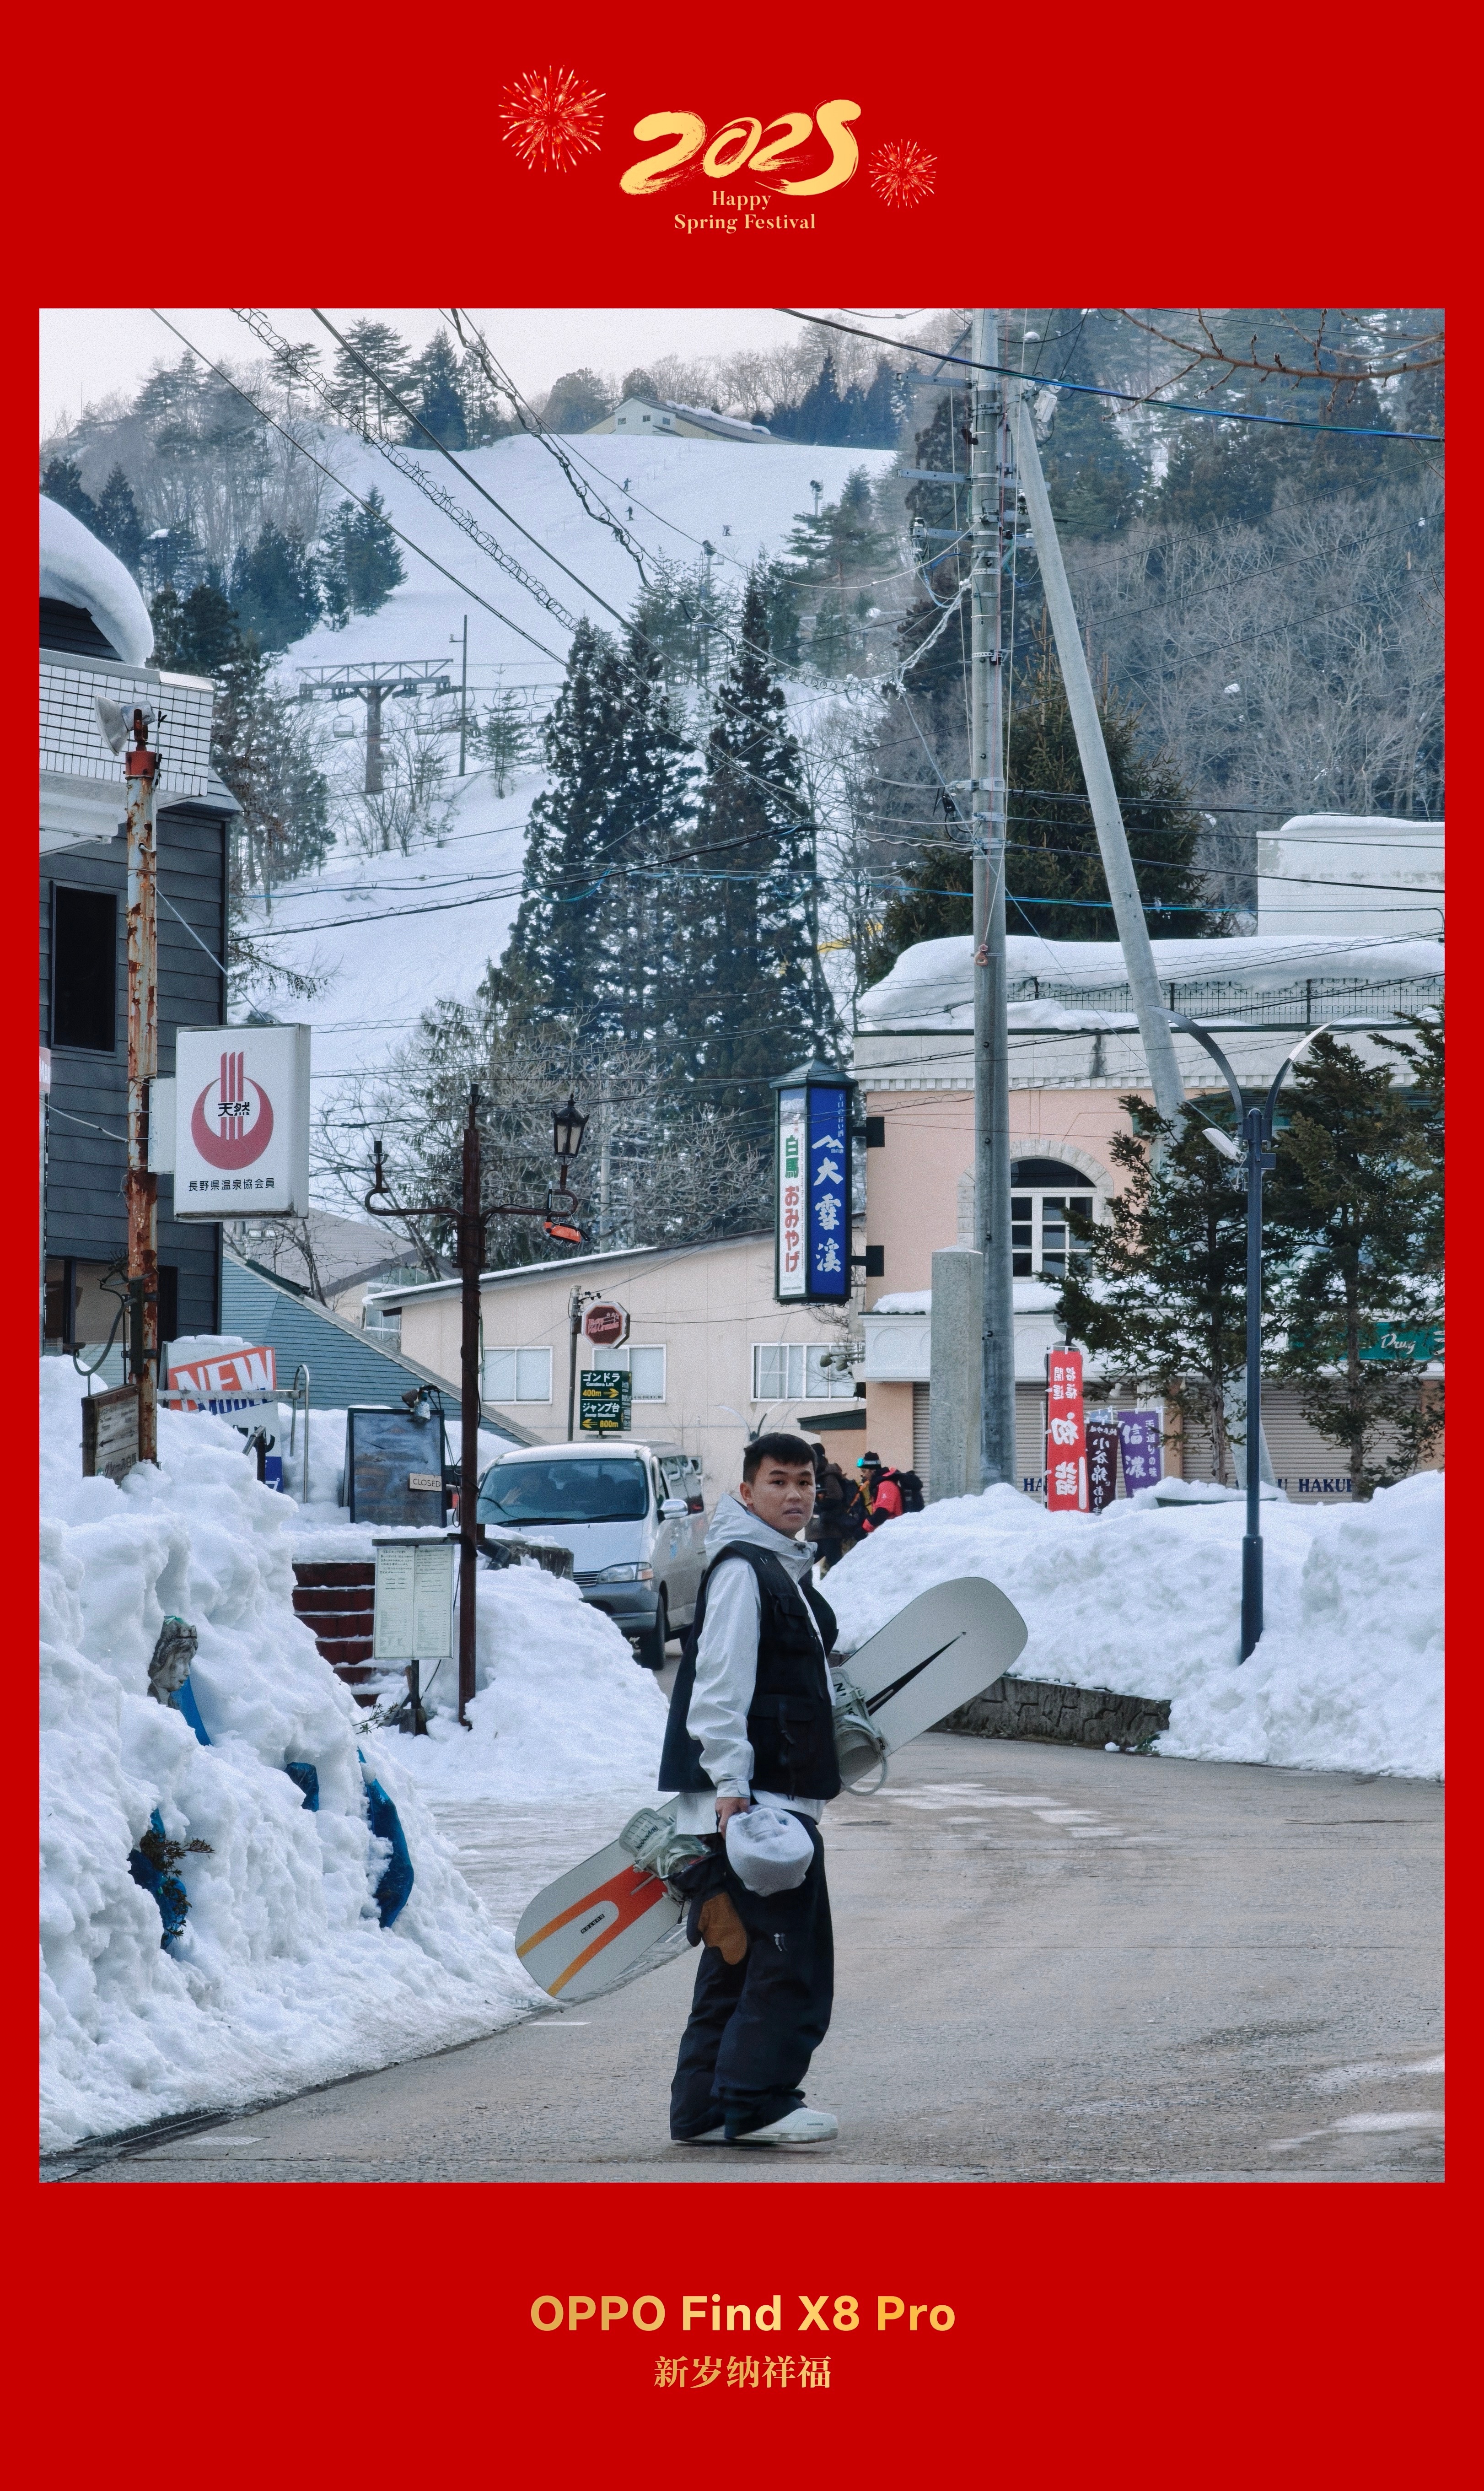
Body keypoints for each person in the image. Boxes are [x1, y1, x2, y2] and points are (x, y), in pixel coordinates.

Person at [659, 1432, 841, 2148]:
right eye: (777, 1482)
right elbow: (718, 1682)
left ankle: (705, 2108)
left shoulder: (777, 1566)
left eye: (804, 1482)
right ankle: (759, 2100)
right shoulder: (744, 1569)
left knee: (736, 1955)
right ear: (747, 1491)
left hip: (759, 1792)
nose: (794, 1495)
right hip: (757, 1799)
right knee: (787, 1956)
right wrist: (733, 1782)